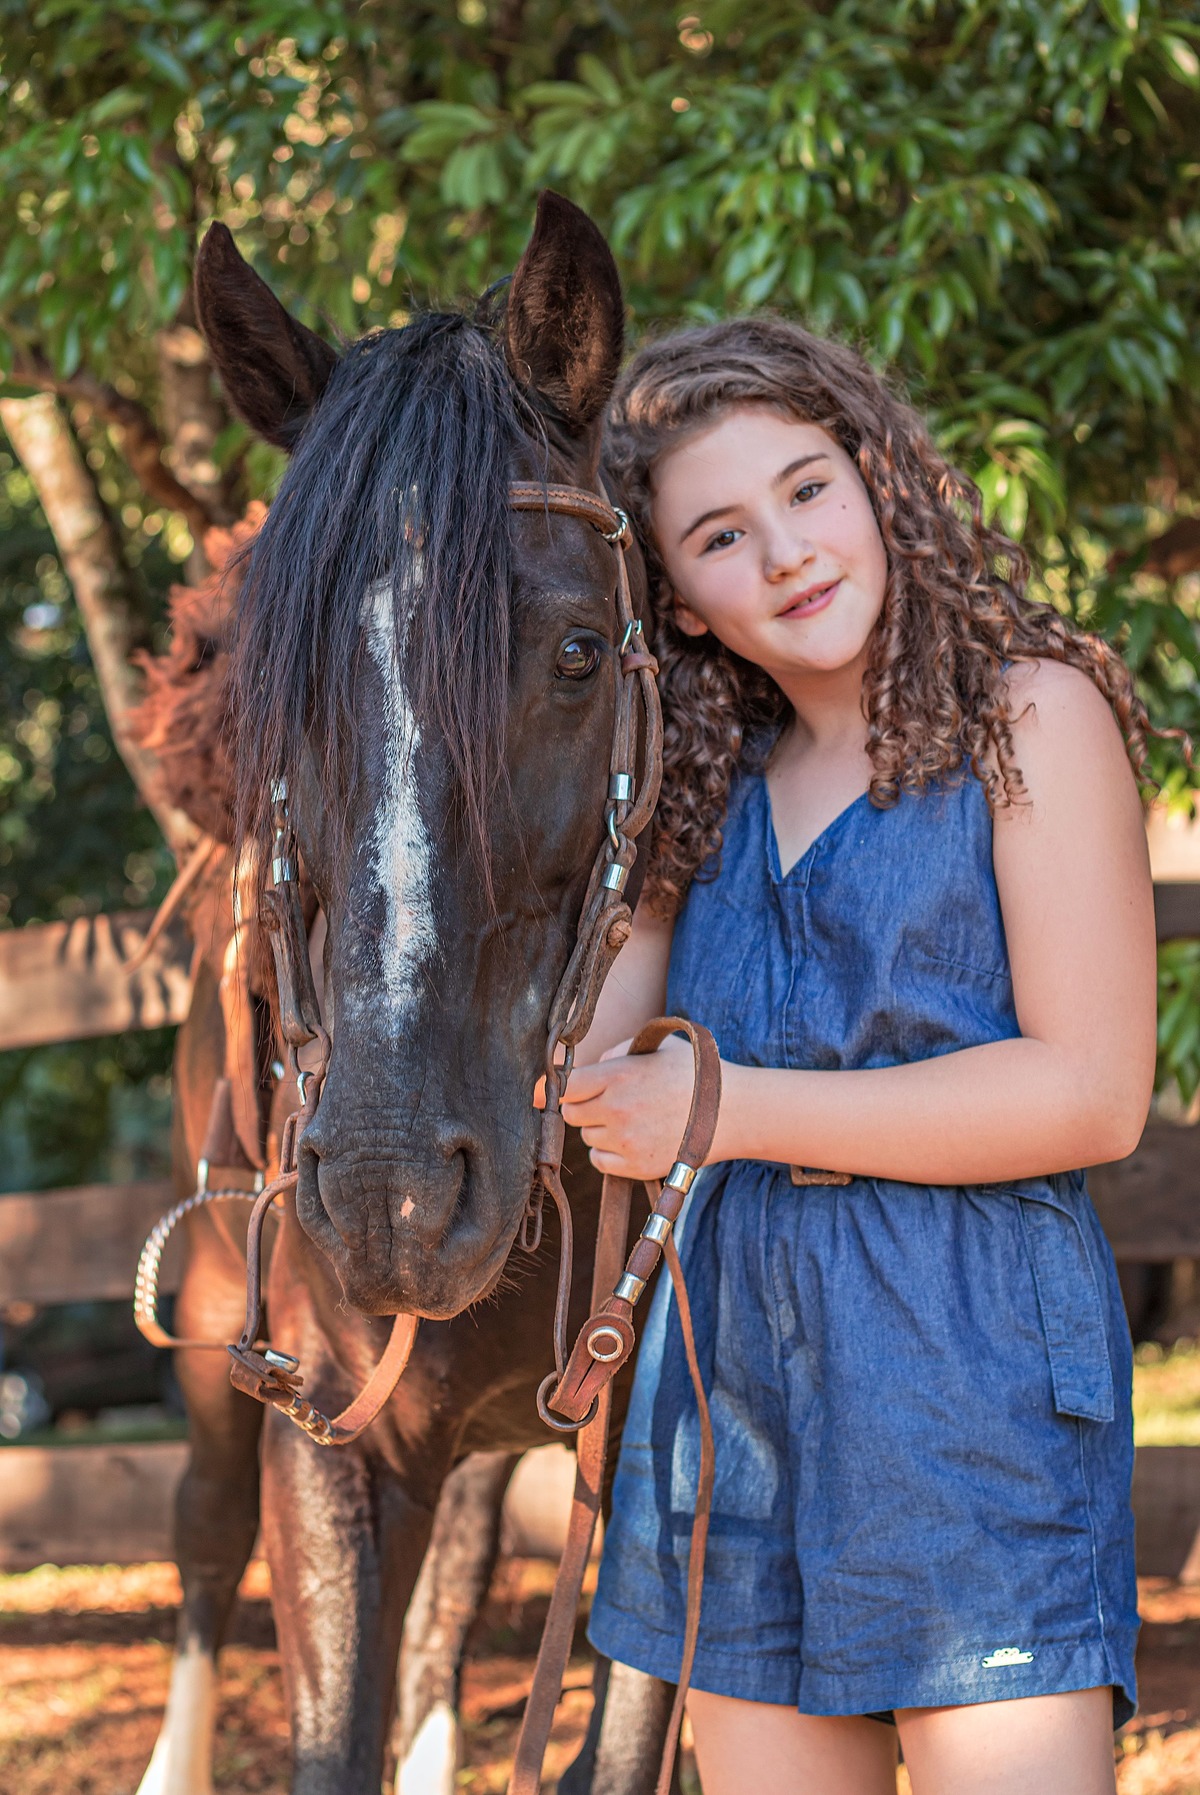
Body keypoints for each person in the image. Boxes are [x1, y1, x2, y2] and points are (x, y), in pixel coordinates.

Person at [563, 319, 1160, 1795]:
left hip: (966, 1397)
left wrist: (723, 1107)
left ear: (877, 479)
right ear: (681, 602)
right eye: (720, 533)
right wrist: (630, 826)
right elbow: (580, 1066)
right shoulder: (703, 801)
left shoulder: (1031, 718)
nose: (785, 552)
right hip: (730, 1419)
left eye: (808, 488)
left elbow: (1090, 1091)